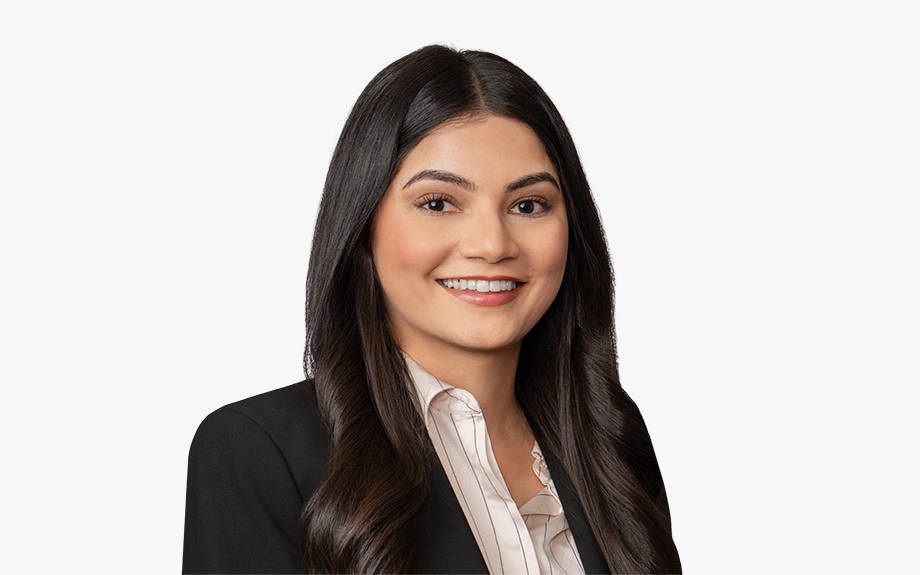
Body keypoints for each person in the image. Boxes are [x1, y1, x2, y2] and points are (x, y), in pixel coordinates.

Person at [183, 45, 681, 574]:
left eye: (528, 205)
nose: (492, 245)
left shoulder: (609, 440)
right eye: (438, 203)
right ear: (363, 223)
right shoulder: (258, 452)